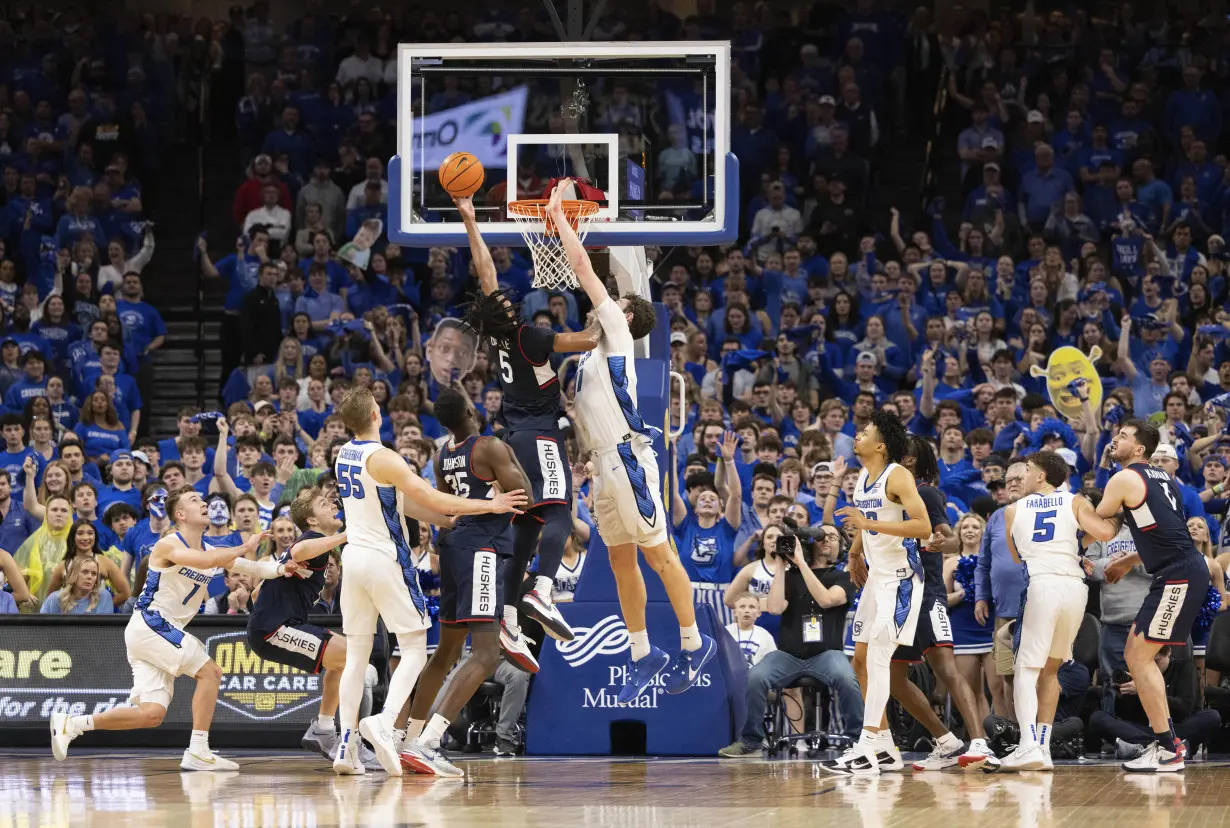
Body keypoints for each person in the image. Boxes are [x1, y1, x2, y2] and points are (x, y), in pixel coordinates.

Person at [545, 180, 716, 703]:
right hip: (602, 464)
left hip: (628, 458)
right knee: (621, 561)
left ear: (624, 314)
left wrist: (560, 216)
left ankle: (693, 643)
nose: (600, 303)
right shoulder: (594, 356)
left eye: (611, 301)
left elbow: (580, 269)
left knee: (661, 556)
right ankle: (644, 654)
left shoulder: (619, 331)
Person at [329, 386, 526, 776]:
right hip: (384, 558)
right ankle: (385, 724)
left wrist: (448, 520)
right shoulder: (384, 457)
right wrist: (491, 504)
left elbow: (405, 502)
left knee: (356, 656)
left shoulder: (343, 455)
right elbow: (433, 498)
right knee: (416, 648)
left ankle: (346, 747)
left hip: (352, 559)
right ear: (375, 416)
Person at [457, 193, 602, 662]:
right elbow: (588, 339)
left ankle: (509, 618)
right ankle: (541, 589)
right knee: (559, 511)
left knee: (525, 525)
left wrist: (470, 219)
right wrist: (607, 310)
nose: (501, 292)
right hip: (540, 435)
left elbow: (485, 273)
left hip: (513, 439)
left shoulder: (497, 332)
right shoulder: (530, 334)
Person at [49, 489, 282, 771]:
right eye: (196, 500)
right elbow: (209, 563)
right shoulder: (167, 545)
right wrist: (246, 545)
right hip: (152, 623)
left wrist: (285, 568)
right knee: (211, 672)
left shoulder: (211, 550)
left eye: (202, 499)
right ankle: (198, 749)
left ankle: (71, 724)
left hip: (153, 633)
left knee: (151, 714)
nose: (204, 503)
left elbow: (256, 568)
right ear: (180, 514)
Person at [399, 386, 533, 778]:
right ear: (473, 410)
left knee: (445, 653)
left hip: (453, 547)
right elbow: (525, 494)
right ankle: (428, 743)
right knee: (488, 654)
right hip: (482, 548)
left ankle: (410, 737)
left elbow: (446, 505)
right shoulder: (489, 447)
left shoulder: (443, 455)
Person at [819, 410, 932, 776]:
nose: (857, 436)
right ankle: (884, 747)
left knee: (880, 659)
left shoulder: (897, 474)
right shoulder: (862, 479)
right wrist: (854, 552)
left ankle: (866, 746)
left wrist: (867, 524)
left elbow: (922, 526)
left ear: (880, 445)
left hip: (900, 580)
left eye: (864, 432)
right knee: (860, 661)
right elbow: (863, 528)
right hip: (876, 578)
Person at [1096, 419, 1212, 772]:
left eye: (1123, 437)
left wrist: (1069, 510)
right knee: (1136, 655)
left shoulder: (1123, 478)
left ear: (1140, 449)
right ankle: (1166, 744)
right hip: (1178, 570)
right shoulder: (1167, 482)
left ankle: (1168, 747)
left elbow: (1100, 525)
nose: (1114, 440)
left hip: (1179, 573)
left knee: (1140, 658)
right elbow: (1163, 534)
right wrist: (1129, 560)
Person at [997, 450, 1118, 771]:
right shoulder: (1075, 500)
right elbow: (1105, 533)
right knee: (1051, 670)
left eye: (1026, 472)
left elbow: (1015, 556)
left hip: (1043, 584)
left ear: (1040, 476)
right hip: (1074, 589)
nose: (1020, 478)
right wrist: (1077, 545)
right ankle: (1043, 748)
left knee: (1026, 668)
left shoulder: (1012, 510)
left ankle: (1027, 746)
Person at [886, 437, 998, 771]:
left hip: (928, 591)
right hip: (899, 593)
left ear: (909, 460)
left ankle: (979, 743)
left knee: (945, 667)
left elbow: (951, 539)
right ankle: (947, 741)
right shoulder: (892, 497)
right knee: (893, 677)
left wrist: (936, 541)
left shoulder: (926, 492)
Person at [245, 488, 378, 768]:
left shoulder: (316, 545)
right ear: (312, 521)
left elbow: (256, 593)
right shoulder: (314, 541)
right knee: (354, 657)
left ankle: (326, 729)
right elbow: (299, 549)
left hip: (279, 624)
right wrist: (346, 535)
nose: (332, 505)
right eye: (323, 504)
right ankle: (349, 742)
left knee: (342, 662)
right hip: (274, 628)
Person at [717, 519, 863, 757]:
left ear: (842, 548)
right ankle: (752, 740)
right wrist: (780, 566)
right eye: (820, 536)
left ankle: (858, 740)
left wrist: (803, 564)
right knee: (756, 676)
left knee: (846, 678)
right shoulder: (790, 575)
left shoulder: (843, 577)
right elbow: (775, 608)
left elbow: (826, 600)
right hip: (789, 655)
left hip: (827, 654)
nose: (825, 540)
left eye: (833, 537)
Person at [40, 556, 113, 614]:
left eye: (94, 574)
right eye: (85, 572)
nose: (89, 577)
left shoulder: (104, 597)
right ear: (74, 575)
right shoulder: (55, 598)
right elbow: (41, 628)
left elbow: (106, 630)